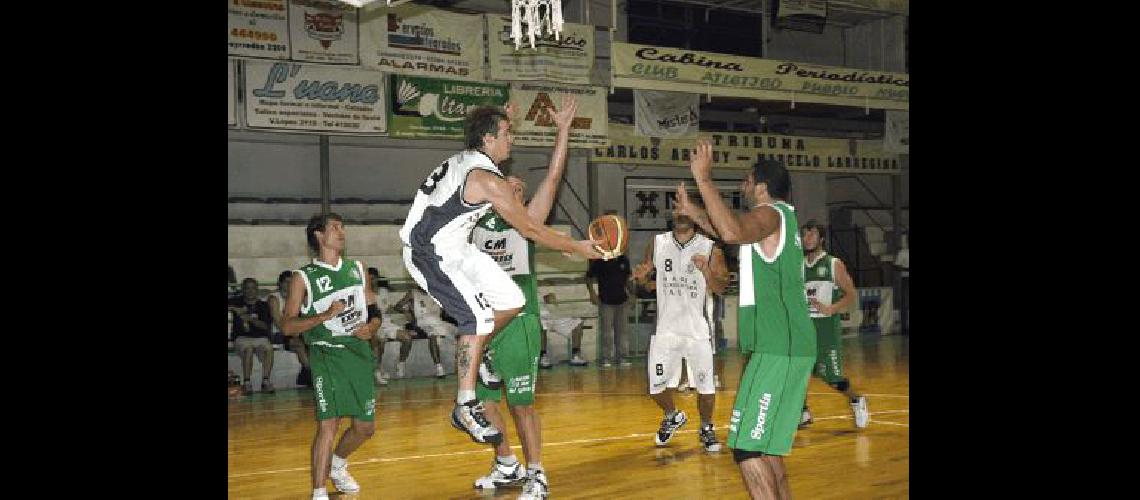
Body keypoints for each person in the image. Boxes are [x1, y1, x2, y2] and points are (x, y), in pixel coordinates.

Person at [399, 101, 602, 446]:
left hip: (456, 247)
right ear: (489, 139)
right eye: (507, 134)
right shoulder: (487, 181)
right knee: (477, 319)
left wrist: (513, 118)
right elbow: (533, 230)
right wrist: (578, 247)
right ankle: (464, 405)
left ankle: (481, 356)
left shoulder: (468, 161)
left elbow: (541, 196)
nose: (513, 141)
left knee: (512, 299)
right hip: (430, 253)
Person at [674, 142, 815, 499]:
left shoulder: (770, 214)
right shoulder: (780, 219)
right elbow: (730, 229)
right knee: (768, 450)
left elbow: (733, 232)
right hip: (787, 346)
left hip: (777, 346)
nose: (743, 187)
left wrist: (704, 180)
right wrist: (696, 211)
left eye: (746, 181)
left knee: (747, 447)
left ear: (762, 187)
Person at [467, 95, 579, 499]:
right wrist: (501, 123)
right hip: (484, 322)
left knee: (521, 404)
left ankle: (537, 474)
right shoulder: (474, 215)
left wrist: (563, 130)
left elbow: (552, 177)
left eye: (519, 186)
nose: (514, 184)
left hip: (518, 322)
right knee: (481, 402)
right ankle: (506, 462)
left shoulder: (527, 221)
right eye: (507, 182)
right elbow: (475, 165)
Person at [282, 213, 383, 500]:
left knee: (365, 428)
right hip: (327, 354)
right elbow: (288, 326)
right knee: (330, 423)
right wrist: (325, 315)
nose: (342, 232)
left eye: (343, 226)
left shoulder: (357, 268)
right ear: (318, 235)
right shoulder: (303, 278)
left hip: (358, 353)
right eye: (335, 227)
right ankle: (318, 492)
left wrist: (372, 326)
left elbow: (374, 309)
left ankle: (338, 463)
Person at [631, 203, 728, 452]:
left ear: (697, 215)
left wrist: (706, 270)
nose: (680, 213)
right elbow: (646, 280)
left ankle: (706, 427)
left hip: (698, 331)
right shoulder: (658, 243)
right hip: (666, 330)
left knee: (705, 387)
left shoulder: (710, 248)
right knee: (655, 387)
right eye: (675, 208)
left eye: (686, 209)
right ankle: (672, 415)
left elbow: (720, 288)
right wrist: (641, 278)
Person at [798, 221, 869, 429]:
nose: (807, 238)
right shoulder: (800, 266)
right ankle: (803, 413)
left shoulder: (832, 264)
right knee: (798, 371)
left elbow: (851, 294)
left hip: (826, 329)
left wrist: (831, 308)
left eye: (812, 235)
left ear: (821, 239)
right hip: (805, 328)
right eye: (805, 235)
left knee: (833, 378)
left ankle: (856, 399)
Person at [586, 216, 633, 368]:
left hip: (622, 301)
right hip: (606, 301)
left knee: (623, 332)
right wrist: (593, 294)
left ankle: (623, 357)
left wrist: (631, 294)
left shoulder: (624, 260)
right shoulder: (599, 260)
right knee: (606, 333)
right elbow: (588, 278)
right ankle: (606, 358)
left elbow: (627, 279)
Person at [230, 277, 275, 394]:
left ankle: (265, 381)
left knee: (269, 348)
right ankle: (247, 383)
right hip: (242, 338)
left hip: (260, 338)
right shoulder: (237, 301)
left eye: (253, 288)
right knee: (248, 349)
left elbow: (266, 326)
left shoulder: (263, 305)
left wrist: (249, 319)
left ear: (257, 290)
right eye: (247, 288)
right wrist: (236, 309)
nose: (250, 291)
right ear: (243, 290)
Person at [271, 270, 312, 387]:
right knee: (298, 344)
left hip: (298, 331)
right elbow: (278, 323)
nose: (289, 285)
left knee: (314, 342)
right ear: (280, 283)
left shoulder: (299, 297)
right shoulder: (275, 298)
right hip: (280, 333)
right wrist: (296, 332)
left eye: (292, 282)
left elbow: (307, 317)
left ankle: (305, 375)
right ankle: (313, 375)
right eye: (286, 282)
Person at [539, 293, 587, 368]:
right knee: (541, 326)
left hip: (551, 315)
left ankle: (576, 355)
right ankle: (542, 356)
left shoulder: (535, 288)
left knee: (578, 322)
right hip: (538, 317)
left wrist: (548, 297)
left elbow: (542, 299)